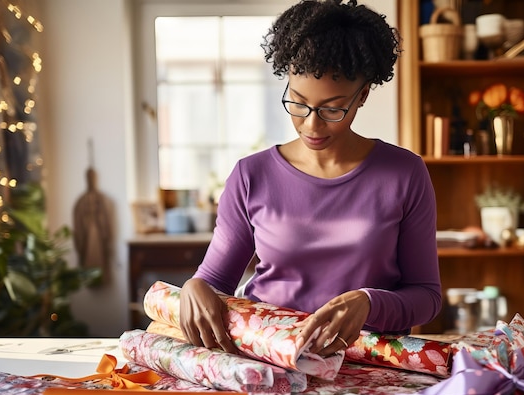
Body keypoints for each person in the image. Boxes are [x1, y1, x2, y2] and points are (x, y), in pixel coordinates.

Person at [180, 0, 441, 358]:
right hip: (268, 358)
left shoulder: (404, 173)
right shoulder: (251, 175)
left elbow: (426, 296)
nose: (312, 125)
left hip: (367, 364)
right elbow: (214, 282)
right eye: (299, 103)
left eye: (332, 108)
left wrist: (369, 303)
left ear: (362, 96)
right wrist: (195, 287)